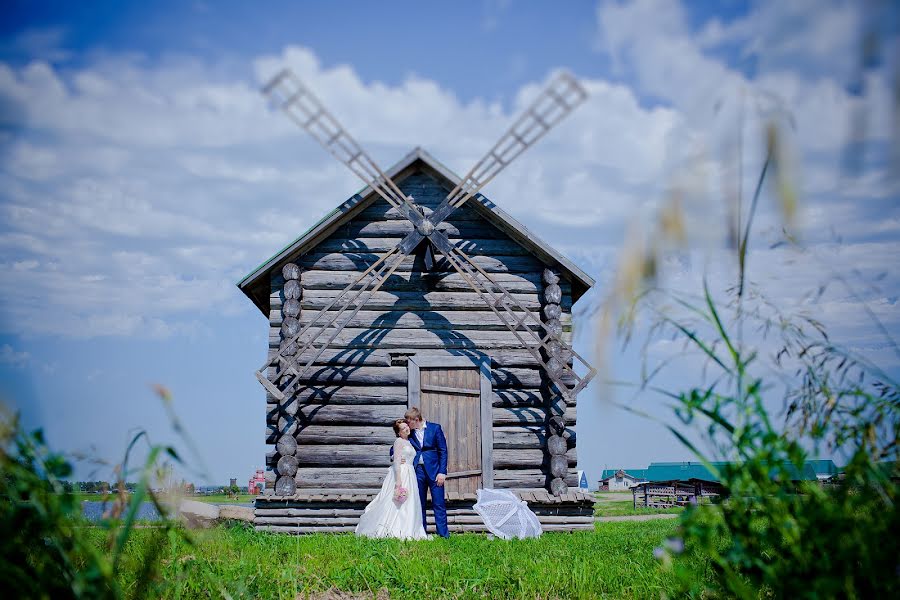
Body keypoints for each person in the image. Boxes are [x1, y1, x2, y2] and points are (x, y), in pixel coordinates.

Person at [355, 419, 427, 540]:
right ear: (399, 433)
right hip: (402, 473)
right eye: (403, 428)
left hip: (410, 474)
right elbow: (397, 461)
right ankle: (393, 528)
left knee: (410, 502)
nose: (406, 429)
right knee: (396, 501)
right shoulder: (399, 441)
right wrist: (398, 480)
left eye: (406, 427)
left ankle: (409, 528)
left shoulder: (409, 441)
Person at [405, 407, 450, 538]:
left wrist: (442, 472)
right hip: (418, 472)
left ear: (417, 420)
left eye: (409, 422)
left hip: (435, 472)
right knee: (419, 504)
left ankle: (443, 535)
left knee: (439, 503)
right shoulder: (410, 433)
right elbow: (398, 444)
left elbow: (443, 451)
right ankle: (422, 534)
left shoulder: (435, 428)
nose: (408, 425)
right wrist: (395, 454)